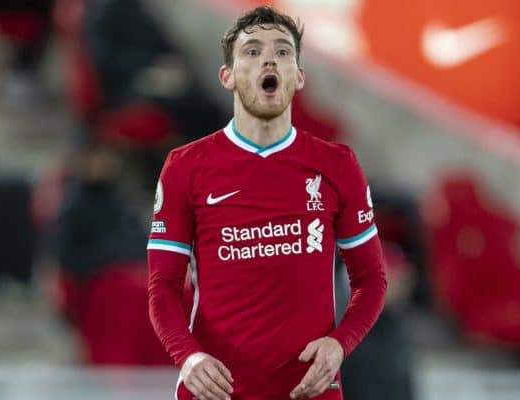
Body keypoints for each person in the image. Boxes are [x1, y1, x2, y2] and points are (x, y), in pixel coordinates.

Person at [147, 6, 387, 400]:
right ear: (227, 76)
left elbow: (372, 278)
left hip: (308, 391)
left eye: (282, 51)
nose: (269, 59)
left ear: (299, 76)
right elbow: (163, 285)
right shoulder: (185, 167)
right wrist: (187, 356)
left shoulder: (337, 165)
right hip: (217, 391)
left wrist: (340, 343)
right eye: (253, 51)